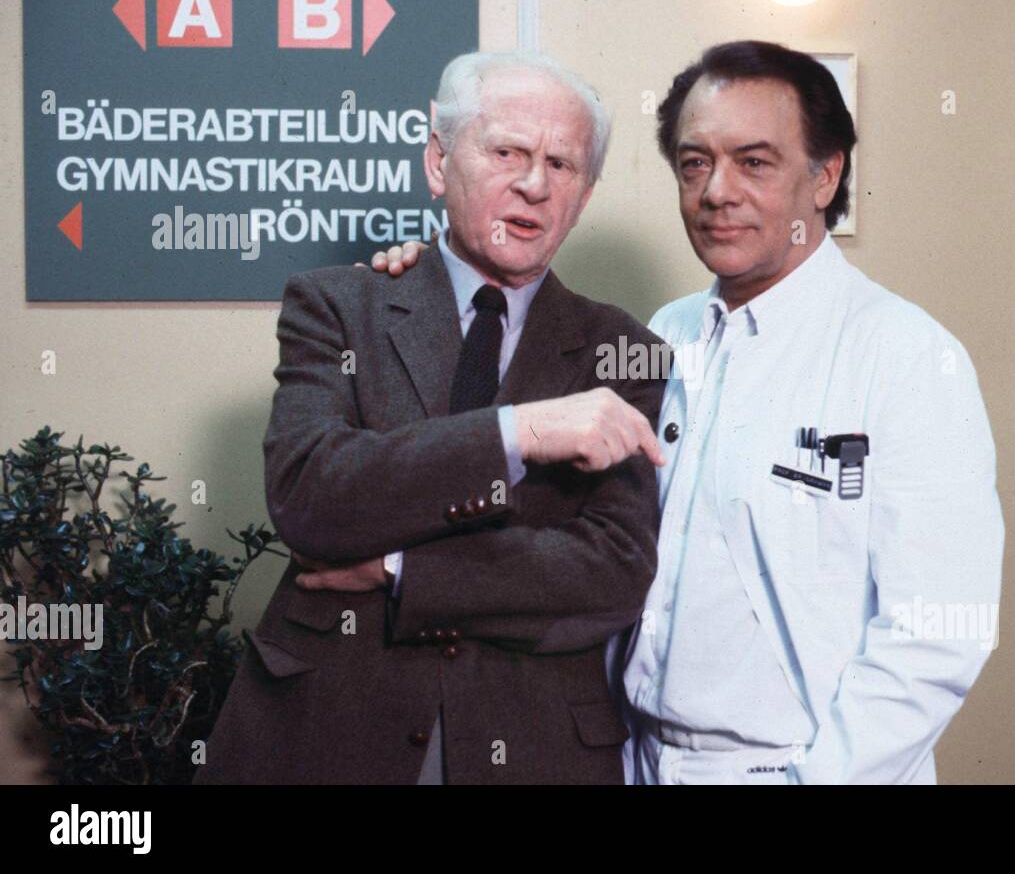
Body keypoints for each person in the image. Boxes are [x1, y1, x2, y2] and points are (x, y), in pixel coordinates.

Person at [369, 40, 1004, 785]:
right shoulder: (656, 340)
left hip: (800, 769)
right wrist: (434, 283)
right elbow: (561, 531)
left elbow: (933, 640)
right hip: (632, 758)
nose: (717, 191)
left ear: (825, 176)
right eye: (695, 162)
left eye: (754, 162)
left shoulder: (906, 358)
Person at [197, 51, 666, 785]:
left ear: (583, 195)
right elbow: (311, 496)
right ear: (439, 162)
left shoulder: (624, 351)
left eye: (561, 164)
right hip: (328, 730)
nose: (534, 184)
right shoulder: (337, 305)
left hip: (532, 747)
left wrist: (398, 570)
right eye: (507, 151)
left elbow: (611, 573)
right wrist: (521, 432)